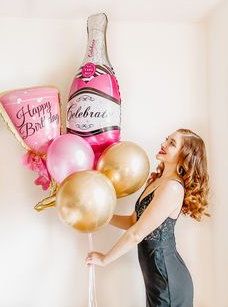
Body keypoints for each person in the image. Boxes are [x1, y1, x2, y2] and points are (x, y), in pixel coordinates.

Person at [86, 128, 210, 307]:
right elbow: (132, 221)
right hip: (156, 279)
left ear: (184, 156)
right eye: (167, 139)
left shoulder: (173, 188)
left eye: (172, 143)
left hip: (167, 279)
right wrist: (101, 216)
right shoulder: (157, 181)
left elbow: (136, 233)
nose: (164, 144)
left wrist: (105, 259)